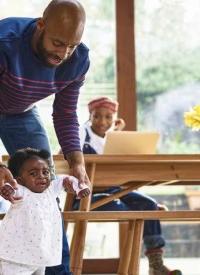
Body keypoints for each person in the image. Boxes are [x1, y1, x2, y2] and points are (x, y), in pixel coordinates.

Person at [0, 1, 91, 274]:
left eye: (71, 46)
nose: (63, 54)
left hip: (21, 109)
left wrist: (77, 164)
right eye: (58, 43)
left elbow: (65, 114)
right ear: (40, 25)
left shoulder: (78, 61)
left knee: (46, 189)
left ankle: (59, 271)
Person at [74, 96, 182, 275]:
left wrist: (117, 133)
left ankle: (156, 265)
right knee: (141, 211)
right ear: (89, 116)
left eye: (108, 117)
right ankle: (146, 214)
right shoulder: (81, 134)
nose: (103, 121)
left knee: (149, 206)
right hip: (89, 195)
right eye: (97, 116)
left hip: (114, 190)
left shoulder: (110, 137)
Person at [0, 148, 90, 275]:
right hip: (19, 255)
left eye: (46, 172)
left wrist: (79, 188)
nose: (42, 176)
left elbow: (66, 179)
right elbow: (11, 188)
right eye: (33, 173)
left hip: (41, 253)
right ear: (20, 180)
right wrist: (7, 189)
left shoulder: (51, 190)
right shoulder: (21, 191)